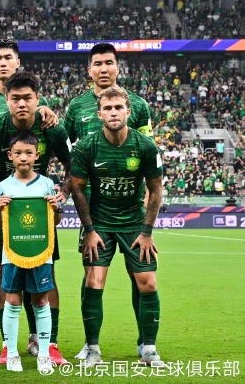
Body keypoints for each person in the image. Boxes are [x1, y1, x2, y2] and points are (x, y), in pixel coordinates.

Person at [0, 39, 59, 361]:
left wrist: (61, 191)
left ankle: (43, 339)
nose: (4, 62)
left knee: (43, 267)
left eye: (9, 57)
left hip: (36, 200)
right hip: (2, 200)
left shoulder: (43, 111)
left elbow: (71, 161)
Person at [63, 43, 153, 361]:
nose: (104, 69)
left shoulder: (138, 105)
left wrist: (146, 207)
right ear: (89, 69)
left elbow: (147, 151)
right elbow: (66, 152)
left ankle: (145, 342)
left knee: (139, 274)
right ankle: (90, 343)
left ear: (118, 66)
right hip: (91, 208)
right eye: (98, 63)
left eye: (109, 63)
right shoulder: (76, 107)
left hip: (130, 208)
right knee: (92, 273)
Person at [0, 131, 61, 374]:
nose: (23, 157)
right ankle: (12, 353)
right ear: (10, 156)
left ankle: (44, 353)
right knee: (12, 301)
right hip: (12, 253)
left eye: (28, 153)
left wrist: (56, 208)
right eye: (18, 153)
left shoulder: (47, 184)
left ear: (36, 155)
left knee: (40, 301)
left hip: (41, 252)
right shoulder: (3, 186)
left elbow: (55, 221)